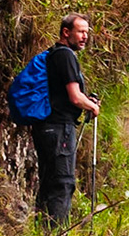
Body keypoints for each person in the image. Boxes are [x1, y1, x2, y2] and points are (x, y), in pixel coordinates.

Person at [33, 13, 101, 224]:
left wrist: (85, 100)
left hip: (45, 127)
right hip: (60, 127)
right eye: (80, 32)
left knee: (48, 181)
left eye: (86, 33)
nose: (84, 37)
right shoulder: (66, 56)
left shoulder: (52, 55)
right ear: (66, 32)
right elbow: (74, 96)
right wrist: (92, 106)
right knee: (62, 182)